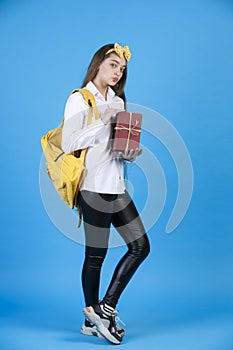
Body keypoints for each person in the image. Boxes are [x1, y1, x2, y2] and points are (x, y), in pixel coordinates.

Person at [61, 43, 150, 345]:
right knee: (95, 257)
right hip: (93, 188)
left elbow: (114, 150)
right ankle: (93, 317)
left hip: (116, 186)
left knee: (140, 246)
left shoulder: (118, 100)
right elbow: (69, 142)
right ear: (98, 63)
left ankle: (106, 308)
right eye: (113, 65)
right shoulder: (79, 99)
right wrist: (103, 121)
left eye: (122, 69)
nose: (117, 72)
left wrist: (130, 152)